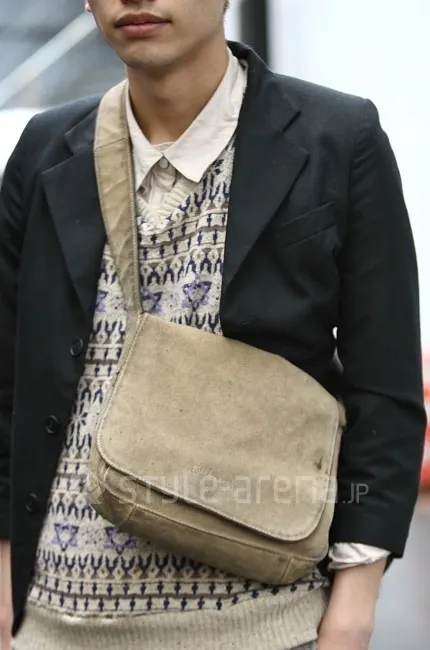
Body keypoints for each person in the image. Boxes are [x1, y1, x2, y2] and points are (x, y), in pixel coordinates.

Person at [0, 1, 426, 649]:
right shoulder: (46, 147)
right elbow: (8, 380)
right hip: (55, 620)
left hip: (264, 622)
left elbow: (384, 386)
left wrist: (352, 608)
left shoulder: (336, 137)